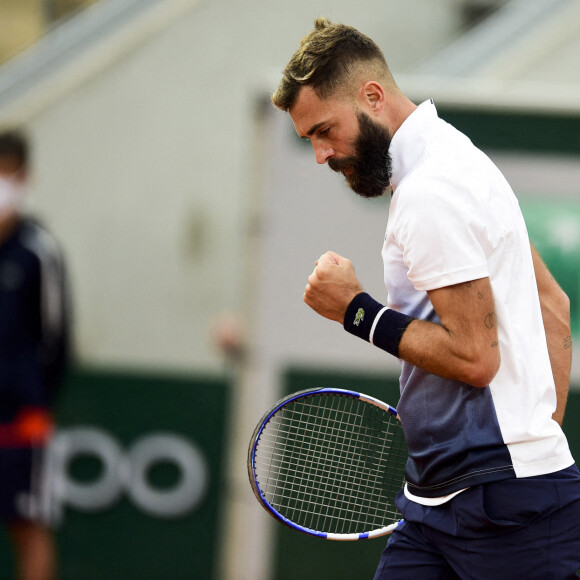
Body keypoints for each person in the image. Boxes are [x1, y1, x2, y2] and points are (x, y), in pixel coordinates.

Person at [272, 17, 580, 580]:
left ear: (372, 96)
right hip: (441, 504)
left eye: (324, 130)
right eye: (310, 139)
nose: (321, 154)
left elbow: (475, 358)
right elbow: (552, 302)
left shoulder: (428, 194)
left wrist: (356, 311)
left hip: (503, 509)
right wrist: (538, 436)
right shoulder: (461, 159)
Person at [0, 130, 71, 580]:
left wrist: (34, 400)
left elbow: (57, 339)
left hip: (21, 419)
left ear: (25, 178)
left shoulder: (38, 252)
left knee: (28, 529)